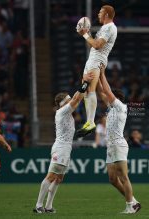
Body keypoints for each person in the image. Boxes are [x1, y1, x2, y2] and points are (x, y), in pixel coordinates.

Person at [33, 73, 94, 213]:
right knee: (51, 176)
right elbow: (75, 100)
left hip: (66, 148)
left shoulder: (67, 113)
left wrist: (86, 87)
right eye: (68, 100)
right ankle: (38, 205)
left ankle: (48, 206)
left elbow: (77, 100)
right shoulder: (61, 112)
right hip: (61, 148)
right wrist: (85, 83)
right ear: (63, 103)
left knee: (59, 178)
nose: (70, 101)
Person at [95, 65, 141, 213]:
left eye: (111, 98)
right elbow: (102, 91)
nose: (107, 99)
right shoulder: (111, 108)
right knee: (113, 179)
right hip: (111, 146)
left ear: (117, 98)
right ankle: (134, 202)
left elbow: (107, 91)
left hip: (118, 144)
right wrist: (94, 78)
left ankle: (129, 207)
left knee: (123, 177)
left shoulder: (121, 107)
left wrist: (102, 73)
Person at [76, 5, 117, 137]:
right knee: (86, 89)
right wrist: (86, 34)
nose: (98, 14)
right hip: (92, 59)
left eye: (100, 12)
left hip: (97, 60)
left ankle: (91, 122)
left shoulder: (109, 27)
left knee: (91, 88)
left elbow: (98, 45)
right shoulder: (104, 28)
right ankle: (89, 122)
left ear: (106, 14)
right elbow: (92, 45)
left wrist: (85, 35)